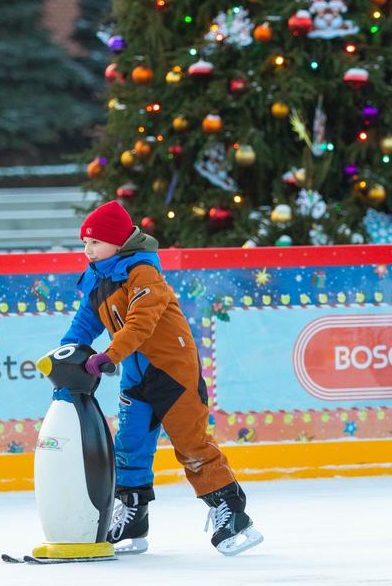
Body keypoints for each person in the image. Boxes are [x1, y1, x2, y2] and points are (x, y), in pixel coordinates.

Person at [61, 200, 263, 555]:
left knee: (191, 444)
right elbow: (85, 324)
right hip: (135, 376)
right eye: (84, 244)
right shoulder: (97, 278)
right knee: (129, 446)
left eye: (94, 242)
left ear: (118, 242)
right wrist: (66, 353)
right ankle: (134, 517)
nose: (87, 250)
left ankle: (231, 512)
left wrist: (109, 355)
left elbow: (142, 323)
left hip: (173, 371)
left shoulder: (142, 272)